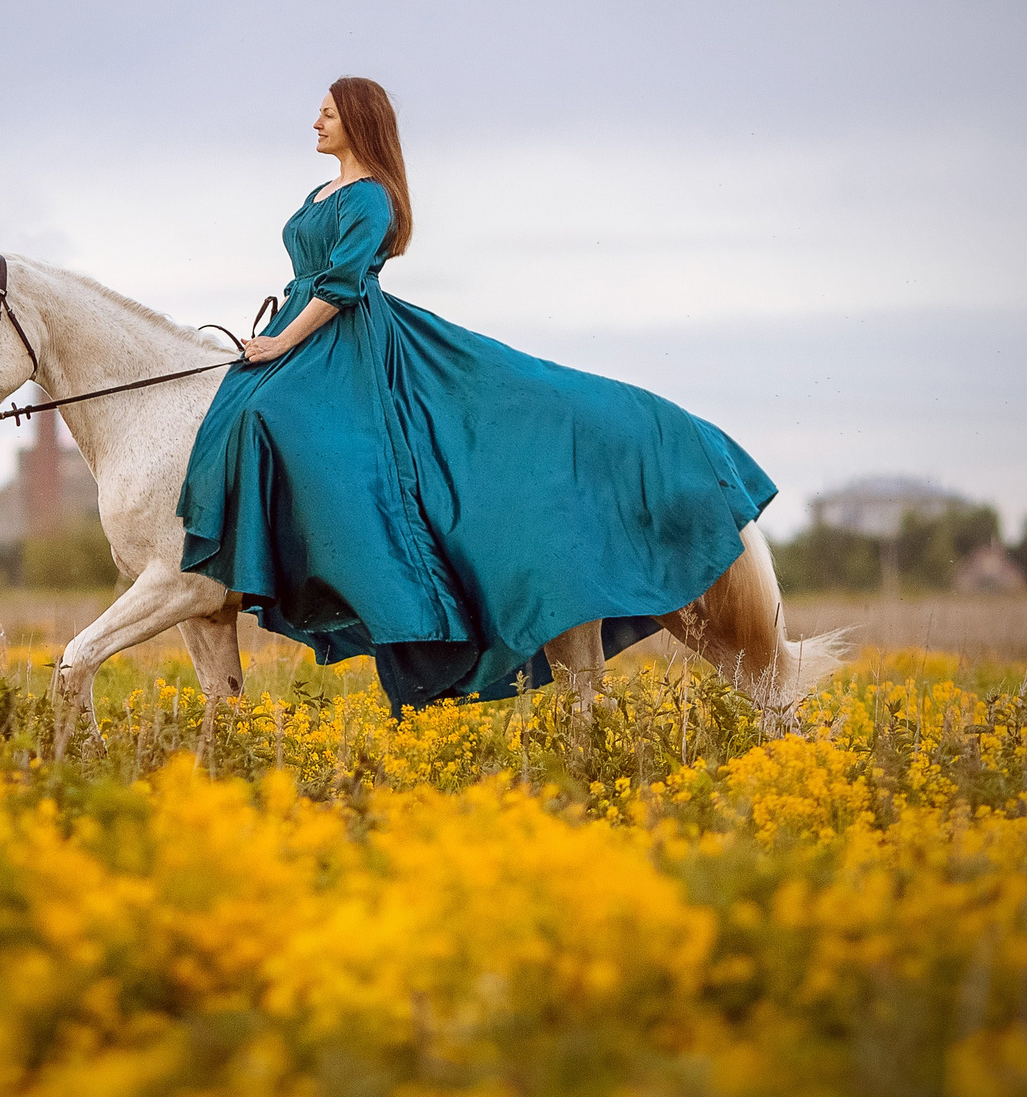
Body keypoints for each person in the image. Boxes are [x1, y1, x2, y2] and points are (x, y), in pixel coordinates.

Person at [176, 76, 780, 710]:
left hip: (345, 340)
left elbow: (341, 287)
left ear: (358, 120)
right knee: (244, 408)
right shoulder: (320, 191)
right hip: (304, 330)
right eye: (318, 114)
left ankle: (353, 573)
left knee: (274, 416)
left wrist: (279, 344)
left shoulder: (371, 198)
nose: (316, 123)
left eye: (327, 114)